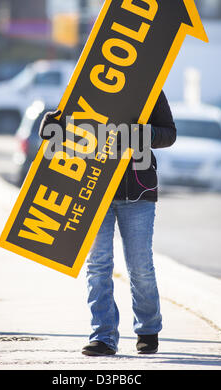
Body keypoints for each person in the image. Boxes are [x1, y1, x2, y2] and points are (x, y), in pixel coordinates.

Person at [39, 90, 176, 356]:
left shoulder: (151, 87)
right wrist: (50, 128)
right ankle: (103, 336)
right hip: (92, 192)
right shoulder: (88, 82)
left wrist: (142, 133)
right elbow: (65, 134)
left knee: (140, 266)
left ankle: (148, 329)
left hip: (138, 192)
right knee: (97, 264)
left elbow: (169, 134)